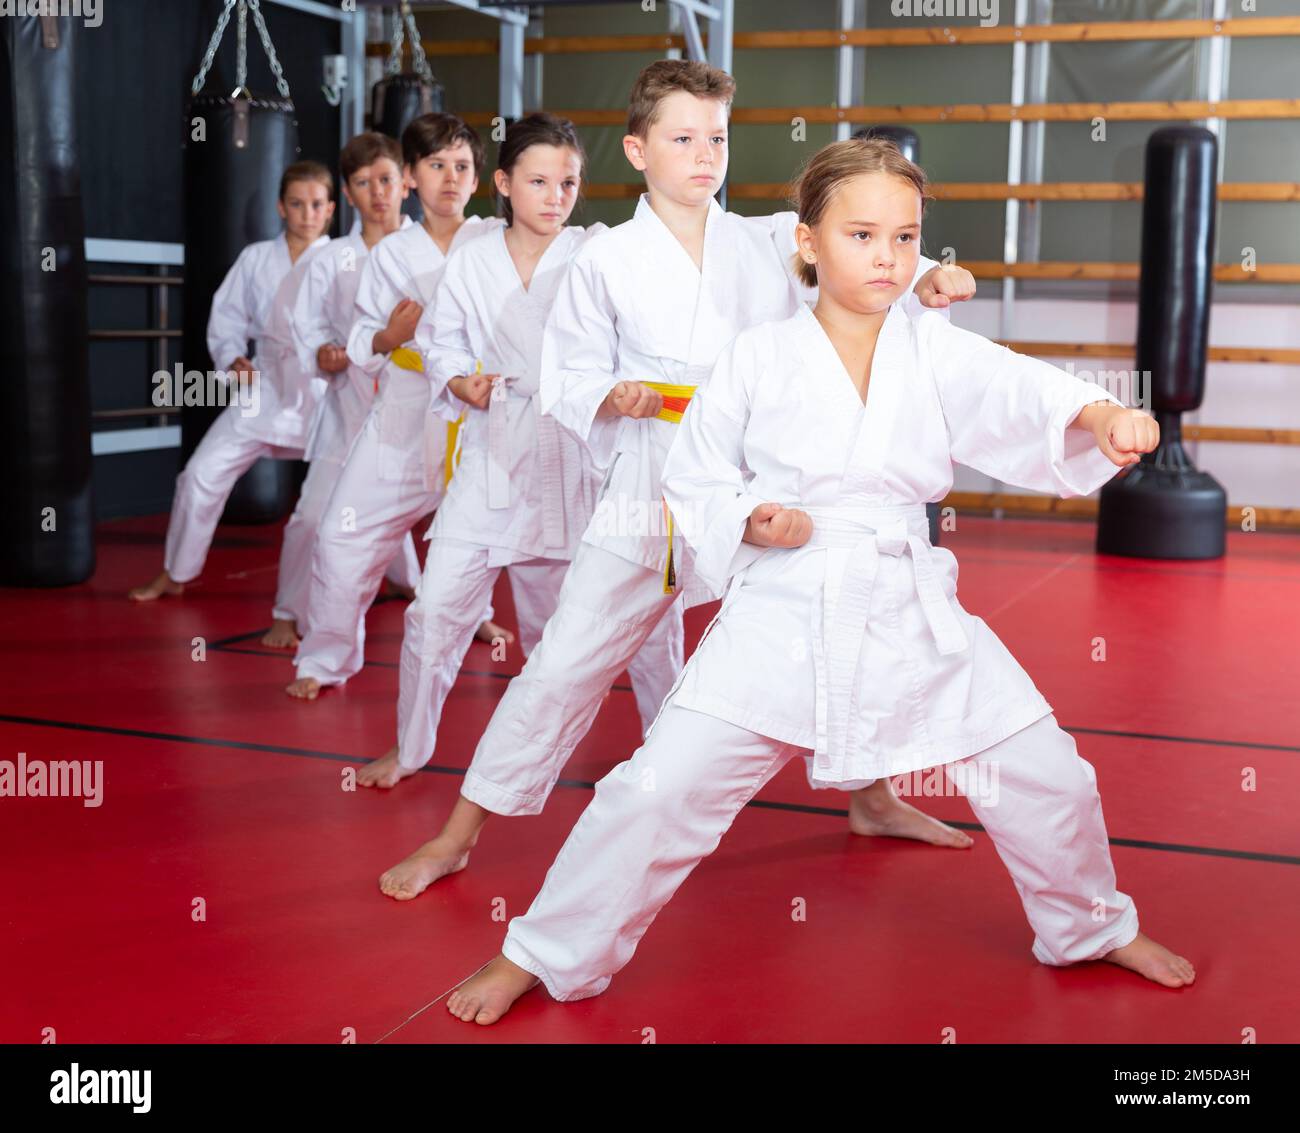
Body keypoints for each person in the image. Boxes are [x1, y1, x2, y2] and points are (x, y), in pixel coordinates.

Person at [443, 136, 1194, 1026]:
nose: (887, 258)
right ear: (807, 242)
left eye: (906, 238)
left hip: (909, 598)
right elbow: (697, 473)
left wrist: (1099, 413)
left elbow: (1017, 390)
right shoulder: (758, 356)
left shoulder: (931, 348)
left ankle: (1088, 926)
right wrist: (749, 520)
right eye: (863, 235)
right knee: (656, 788)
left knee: (1050, 775)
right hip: (785, 606)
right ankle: (542, 949)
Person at [377, 60, 974, 902]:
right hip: (647, 486)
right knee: (563, 663)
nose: (706, 155)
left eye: (718, 138)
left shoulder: (769, 239)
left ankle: (872, 795)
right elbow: (568, 374)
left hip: (756, 482)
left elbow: (856, 271)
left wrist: (925, 281)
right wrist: (606, 395)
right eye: (684, 138)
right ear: (637, 149)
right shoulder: (607, 258)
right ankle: (458, 831)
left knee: (843, 626)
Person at [361, 113, 681, 791]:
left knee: (614, 623)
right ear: (503, 183)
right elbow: (444, 337)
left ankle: (667, 755)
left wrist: (620, 389)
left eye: (568, 182)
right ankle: (411, 747)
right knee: (434, 609)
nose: (555, 195)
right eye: (538, 181)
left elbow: (639, 328)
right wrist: (457, 378)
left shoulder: (595, 250)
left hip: (579, 457)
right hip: (496, 451)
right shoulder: (472, 258)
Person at [287, 113, 504, 700]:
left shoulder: (495, 239)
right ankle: (326, 655)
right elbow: (362, 342)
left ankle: (498, 636)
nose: (450, 178)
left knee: (503, 540)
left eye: (462, 167)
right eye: (436, 166)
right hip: (406, 416)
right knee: (339, 534)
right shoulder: (391, 255)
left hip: (483, 415)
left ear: (479, 176)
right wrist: (388, 336)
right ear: (411, 176)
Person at [128, 162, 334, 608]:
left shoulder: (344, 260)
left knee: (360, 485)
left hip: (325, 390)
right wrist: (230, 357)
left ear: (331, 209)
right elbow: (227, 317)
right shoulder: (257, 258)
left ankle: (404, 580)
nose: (306, 213)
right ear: (281, 207)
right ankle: (176, 572)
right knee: (199, 475)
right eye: (296, 204)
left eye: (316, 204)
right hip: (265, 384)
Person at [265, 132, 418, 649]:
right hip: (348, 406)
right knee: (313, 515)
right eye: (362, 183)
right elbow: (303, 325)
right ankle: (288, 611)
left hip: (416, 408)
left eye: (386, 179)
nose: (377, 191)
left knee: (452, 516)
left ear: (406, 184)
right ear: (348, 195)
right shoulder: (330, 259)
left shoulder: (430, 252)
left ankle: (465, 609)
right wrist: (322, 353)